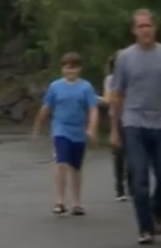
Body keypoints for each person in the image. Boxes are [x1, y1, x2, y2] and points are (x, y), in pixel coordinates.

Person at [110, 9, 161, 245]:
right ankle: (145, 228)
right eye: (141, 26)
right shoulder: (124, 57)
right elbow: (117, 94)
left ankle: (158, 211)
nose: (145, 30)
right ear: (134, 30)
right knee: (138, 179)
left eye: (149, 26)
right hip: (134, 123)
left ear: (155, 28)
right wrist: (115, 128)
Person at [32, 52, 99, 216]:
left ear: (79, 69)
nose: (71, 72)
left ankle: (77, 203)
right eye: (67, 68)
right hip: (61, 128)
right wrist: (38, 126)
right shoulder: (55, 87)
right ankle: (59, 201)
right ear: (62, 69)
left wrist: (92, 128)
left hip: (78, 130)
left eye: (74, 68)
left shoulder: (86, 87)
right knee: (61, 162)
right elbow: (46, 107)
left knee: (76, 167)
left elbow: (93, 109)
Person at [104, 50, 128, 201]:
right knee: (119, 153)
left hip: (134, 117)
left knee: (135, 153)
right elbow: (109, 99)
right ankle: (120, 188)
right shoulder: (110, 79)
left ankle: (134, 184)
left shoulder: (133, 76)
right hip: (117, 117)